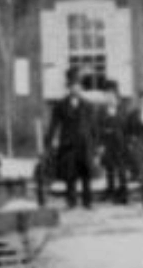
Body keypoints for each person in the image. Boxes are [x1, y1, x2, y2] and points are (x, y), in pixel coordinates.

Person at [46, 79, 97, 209]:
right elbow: (54, 124)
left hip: (85, 144)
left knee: (86, 174)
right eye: (73, 86)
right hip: (68, 144)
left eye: (78, 86)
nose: (76, 89)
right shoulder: (61, 105)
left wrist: (95, 145)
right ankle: (71, 201)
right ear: (69, 88)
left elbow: (93, 127)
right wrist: (49, 140)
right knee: (70, 174)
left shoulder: (88, 105)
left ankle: (88, 201)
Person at [97, 91, 130, 204]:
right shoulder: (101, 112)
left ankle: (123, 194)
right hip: (107, 144)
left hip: (120, 144)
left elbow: (127, 127)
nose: (111, 100)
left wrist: (128, 142)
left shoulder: (122, 111)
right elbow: (97, 128)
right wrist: (100, 144)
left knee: (121, 170)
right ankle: (110, 192)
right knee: (109, 169)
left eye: (113, 98)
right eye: (108, 98)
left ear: (117, 99)